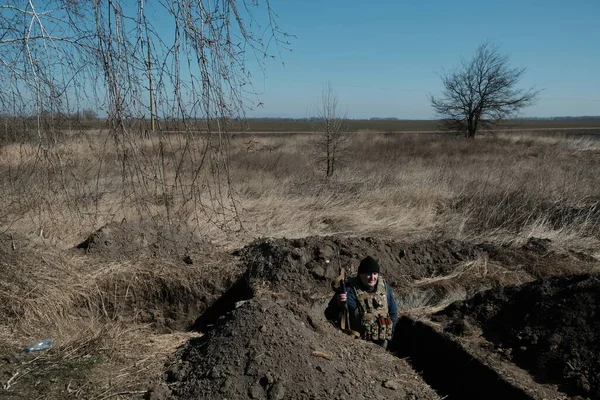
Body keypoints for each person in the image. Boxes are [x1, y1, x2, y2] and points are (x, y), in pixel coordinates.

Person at [325, 256, 398, 347]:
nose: (372, 278)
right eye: (368, 274)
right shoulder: (348, 290)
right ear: (360, 274)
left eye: (375, 274)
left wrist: (388, 334)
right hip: (357, 345)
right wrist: (338, 303)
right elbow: (329, 315)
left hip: (382, 345)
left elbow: (393, 314)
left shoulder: (385, 289)